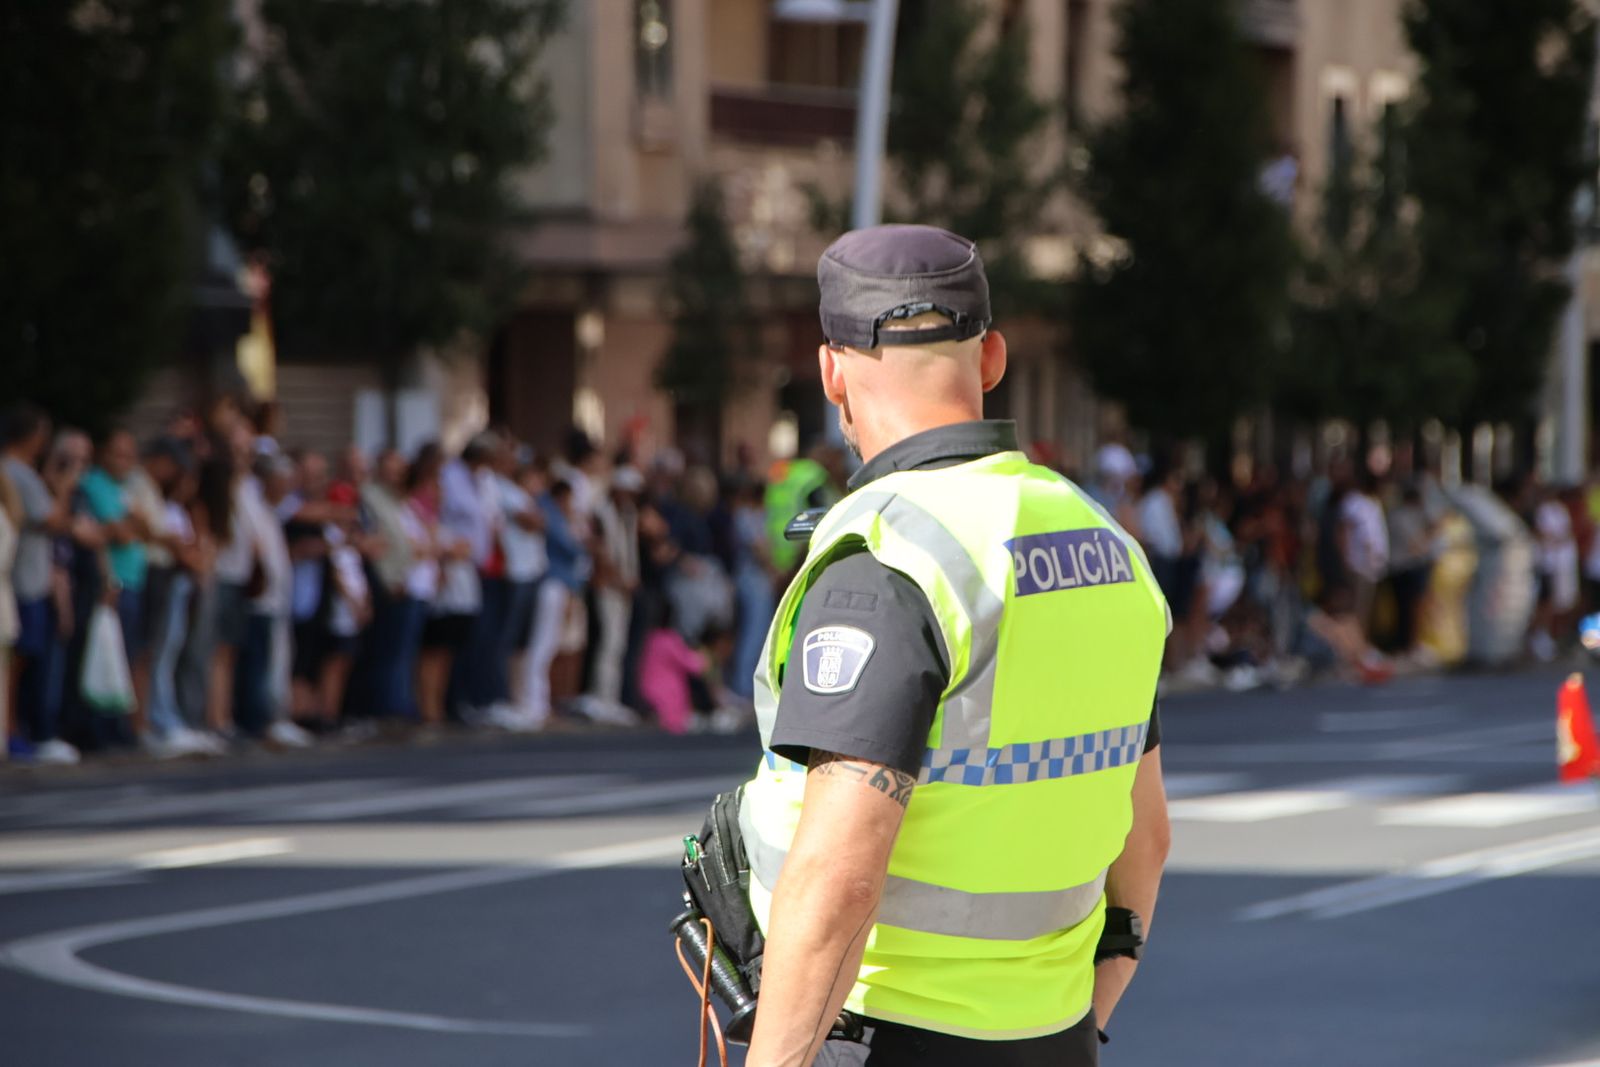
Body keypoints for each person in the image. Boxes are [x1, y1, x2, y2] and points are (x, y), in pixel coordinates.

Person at [737, 226, 1171, 1066]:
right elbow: (1145, 841)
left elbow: (840, 877)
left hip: (892, 1034)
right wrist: (1082, 1021)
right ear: (993, 357)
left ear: (832, 370)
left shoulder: (889, 560)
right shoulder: (1105, 544)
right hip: (1056, 1036)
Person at [2, 405, 82, 763]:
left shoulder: (23, 473)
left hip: (26, 579)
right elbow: (54, 519)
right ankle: (13, 731)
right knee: (18, 663)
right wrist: (63, 487)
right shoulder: (16, 473)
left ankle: (16, 731)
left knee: (21, 662)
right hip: (24, 581)